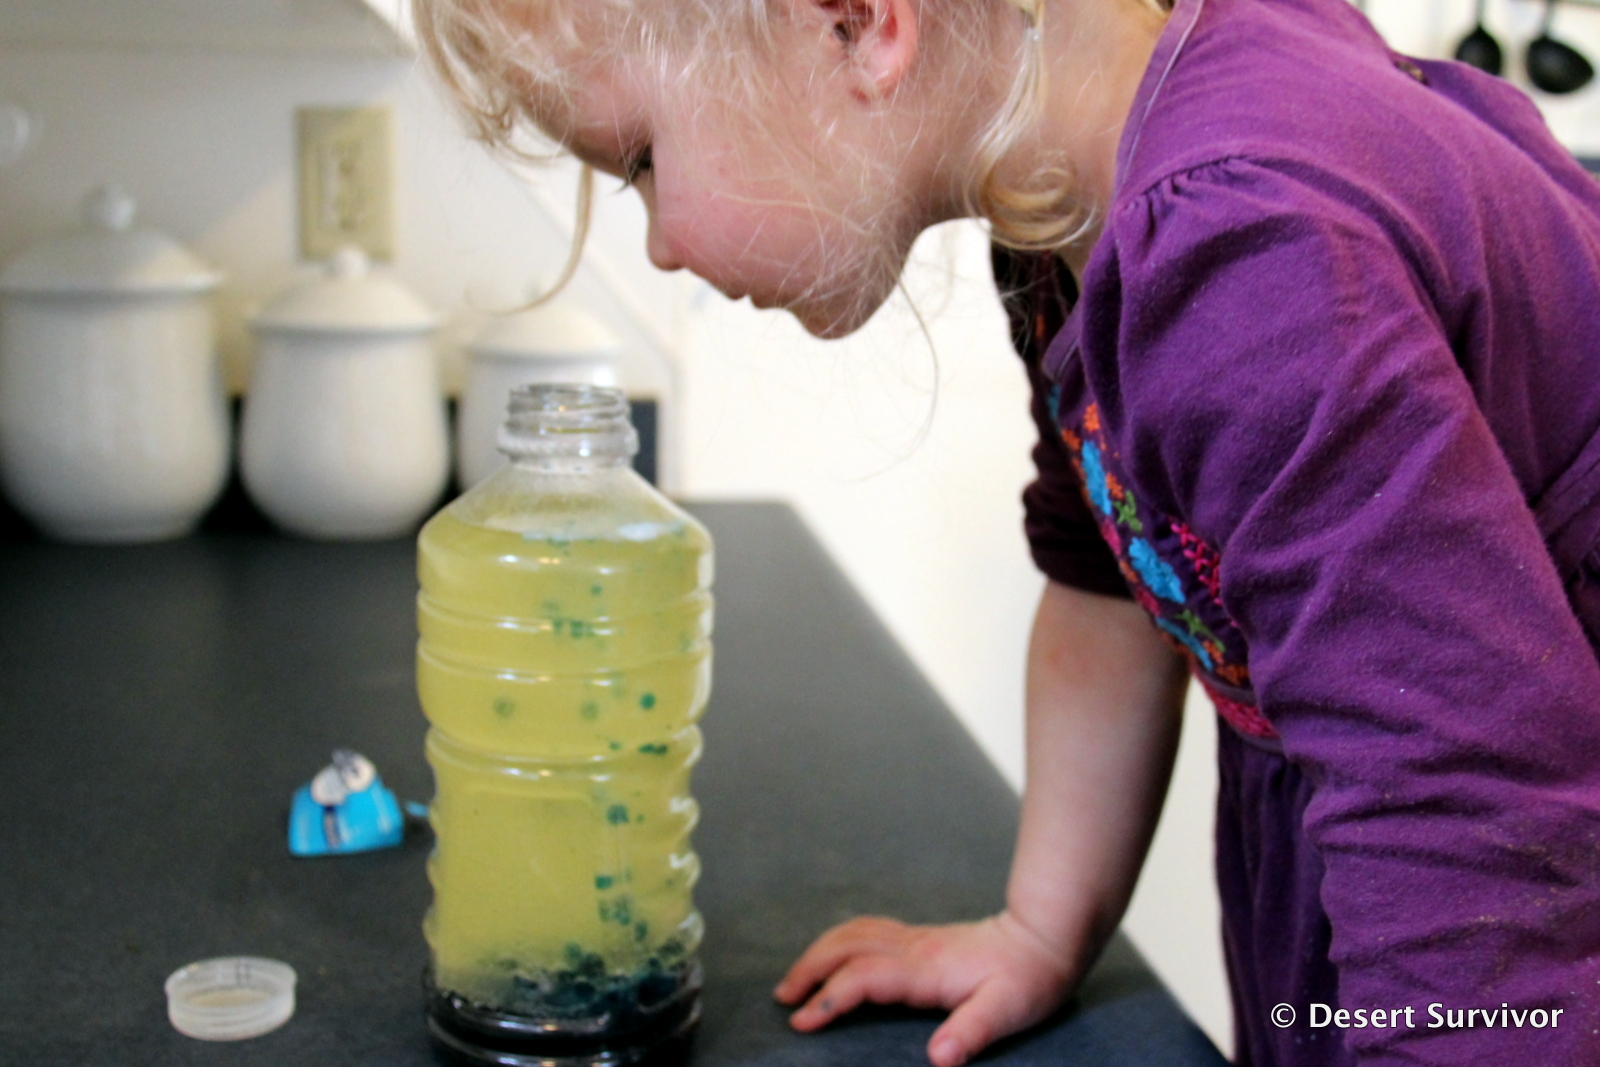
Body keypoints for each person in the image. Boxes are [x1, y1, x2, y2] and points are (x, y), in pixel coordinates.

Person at [412, 0, 1600, 1063]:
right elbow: (1114, 563)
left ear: (854, 22)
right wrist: (1040, 926)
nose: (662, 242)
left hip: (1508, 923)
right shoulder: (1061, 203)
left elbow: (1468, 820)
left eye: (639, 160)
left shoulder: (1244, 253)